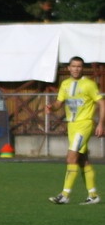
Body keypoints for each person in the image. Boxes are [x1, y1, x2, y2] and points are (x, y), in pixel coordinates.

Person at [46, 56, 104, 205]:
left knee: (71, 158)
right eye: (74, 66)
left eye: (79, 66)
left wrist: (100, 124)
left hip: (84, 125)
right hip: (71, 126)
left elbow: (102, 103)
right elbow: (59, 102)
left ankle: (65, 195)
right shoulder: (65, 84)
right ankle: (93, 195)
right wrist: (52, 107)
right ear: (69, 68)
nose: (76, 68)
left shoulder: (89, 84)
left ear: (82, 68)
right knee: (82, 160)